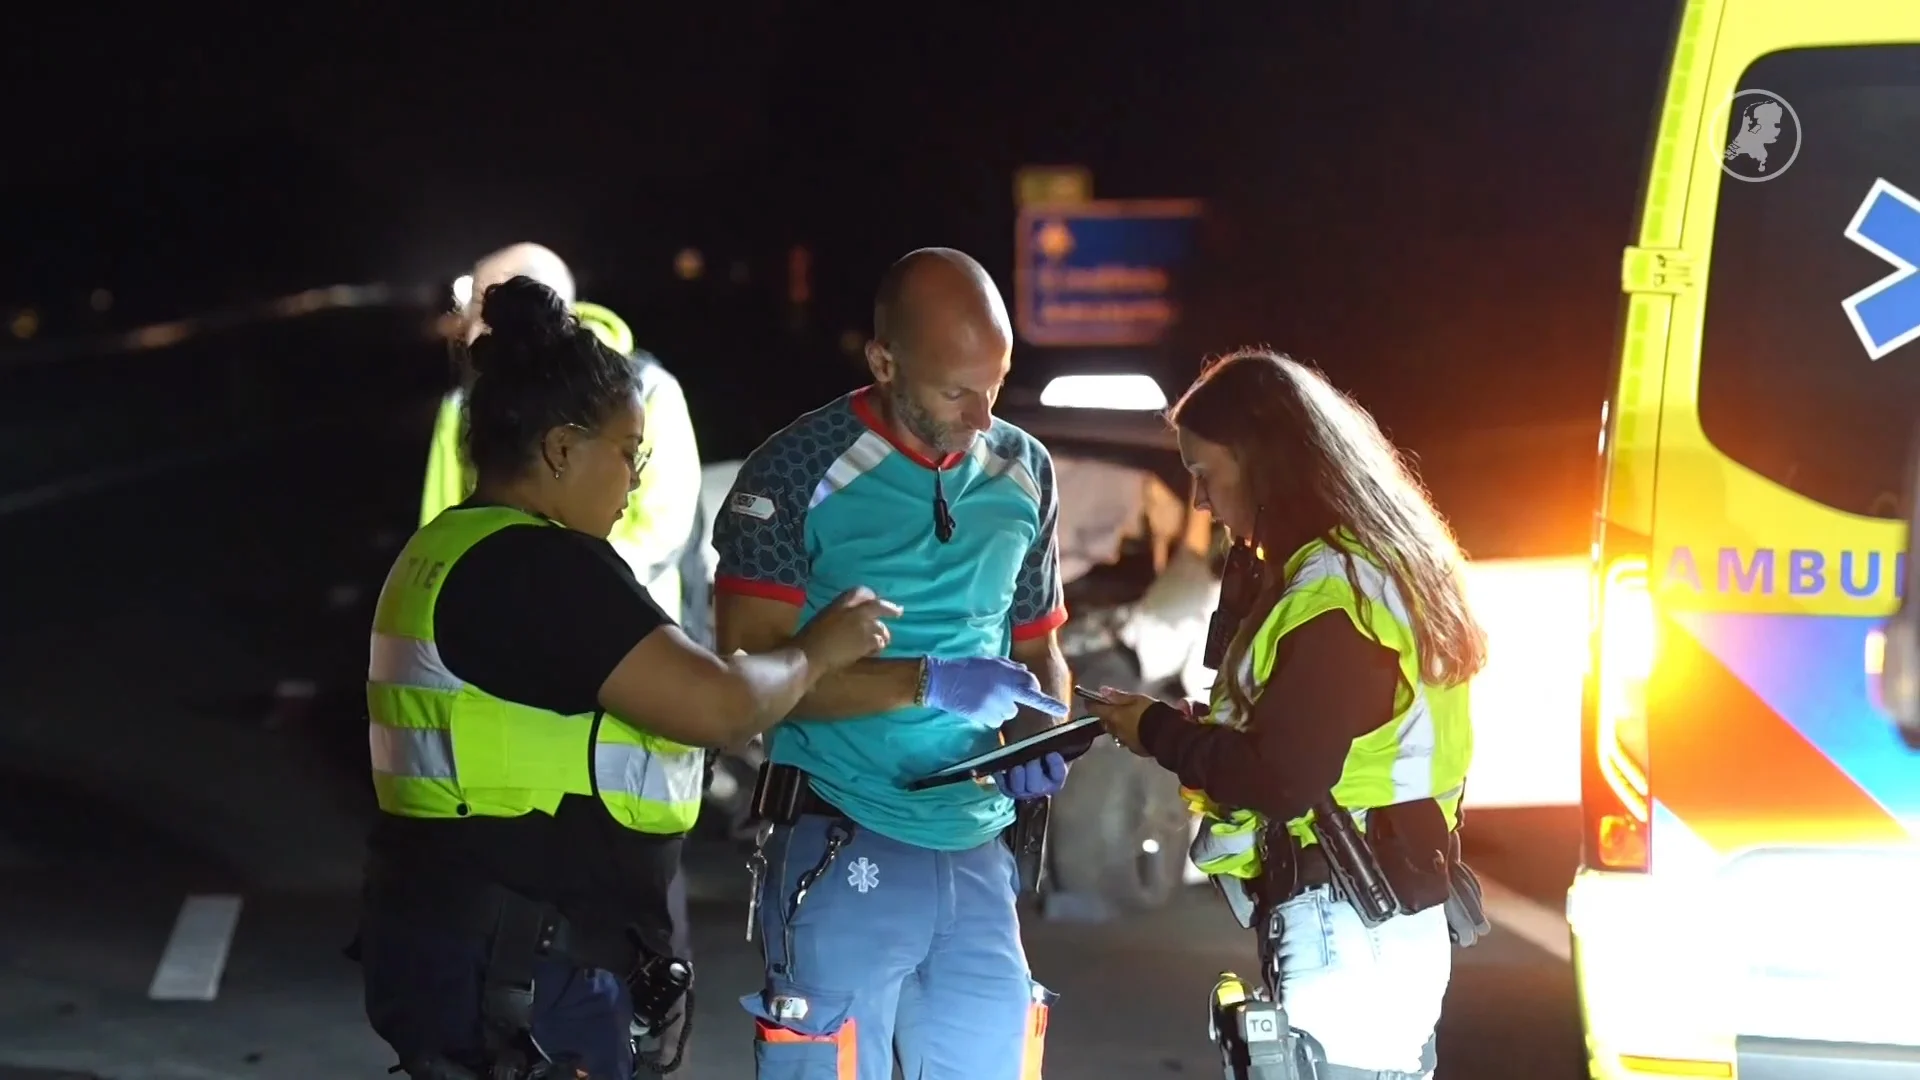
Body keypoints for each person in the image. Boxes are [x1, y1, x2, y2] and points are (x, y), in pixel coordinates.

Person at [359, 275, 901, 1080]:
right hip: (527, 979)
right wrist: (820, 648)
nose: (636, 477)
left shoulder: (450, 547)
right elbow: (718, 706)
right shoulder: (540, 566)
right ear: (560, 448)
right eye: (627, 451)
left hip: (464, 951)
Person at [712, 247, 1074, 1080]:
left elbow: (1039, 651)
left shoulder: (1026, 469)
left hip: (980, 853)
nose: (984, 415)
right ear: (884, 361)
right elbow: (745, 682)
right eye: (957, 391)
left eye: (998, 384)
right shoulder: (796, 471)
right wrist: (927, 682)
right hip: (840, 835)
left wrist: (1040, 731)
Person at [1085, 349, 1484, 1079]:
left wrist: (1157, 731)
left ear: (1265, 463)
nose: (1199, 502)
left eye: (1206, 475)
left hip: (1349, 923)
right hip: (1377, 917)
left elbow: (1281, 778)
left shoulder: (1330, 595)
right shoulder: (1372, 571)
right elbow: (1319, 735)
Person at [423, 242, 711, 647]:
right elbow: (440, 517)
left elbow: (665, 529)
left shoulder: (646, 390)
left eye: (491, 314)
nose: (471, 328)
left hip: (634, 626)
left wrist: (573, 589)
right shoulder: (461, 403)